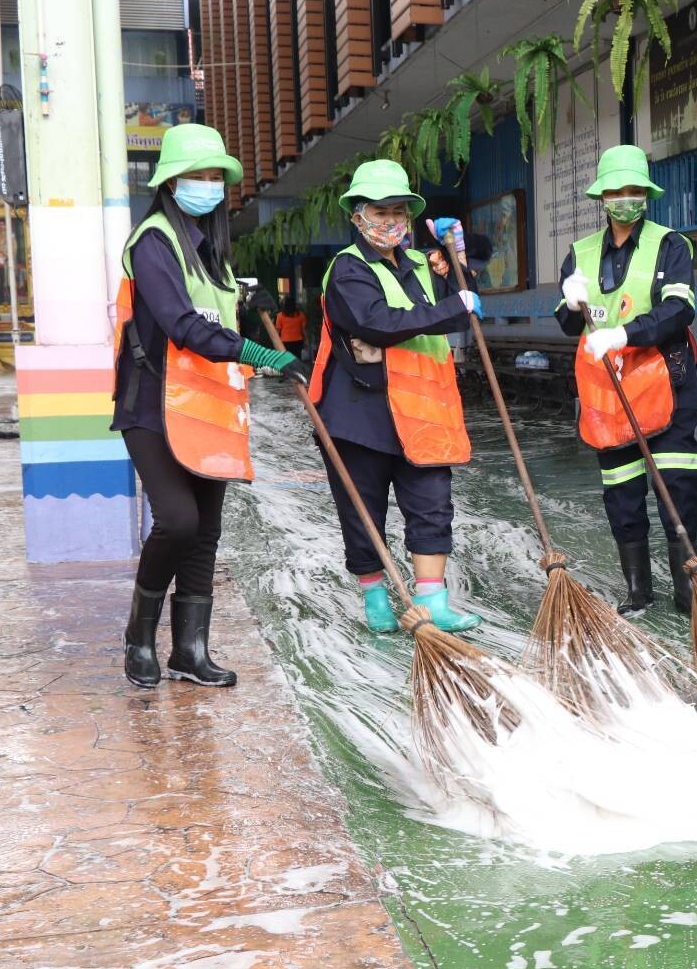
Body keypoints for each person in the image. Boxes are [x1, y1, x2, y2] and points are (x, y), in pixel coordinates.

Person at [111, 123, 310, 689]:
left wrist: (249, 297)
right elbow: (180, 323)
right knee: (177, 520)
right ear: (171, 183)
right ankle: (139, 637)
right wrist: (269, 356)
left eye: (214, 176)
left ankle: (190, 650)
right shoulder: (152, 241)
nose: (208, 184)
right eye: (196, 175)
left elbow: (215, 313)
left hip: (210, 407)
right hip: (150, 404)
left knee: (205, 533)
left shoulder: (210, 251)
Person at [312, 159, 483, 633]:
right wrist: (453, 305)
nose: (390, 221)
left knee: (432, 504)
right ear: (357, 215)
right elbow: (376, 322)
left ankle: (435, 601)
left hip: (424, 411)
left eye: (398, 211)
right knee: (364, 509)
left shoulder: (421, 263)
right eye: (379, 211)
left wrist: (459, 257)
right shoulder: (346, 270)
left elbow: (463, 302)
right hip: (360, 414)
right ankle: (375, 597)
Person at [556, 145, 697, 615]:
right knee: (622, 492)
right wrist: (570, 302)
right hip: (609, 394)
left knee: (676, 484)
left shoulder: (670, 245)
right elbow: (566, 325)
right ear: (602, 195)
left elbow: (680, 309)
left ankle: (689, 588)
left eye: (633, 190)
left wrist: (624, 334)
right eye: (616, 190)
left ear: (646, 194)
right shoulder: (579, 254)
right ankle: (638, 590)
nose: (625, 198)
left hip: (666, 383)